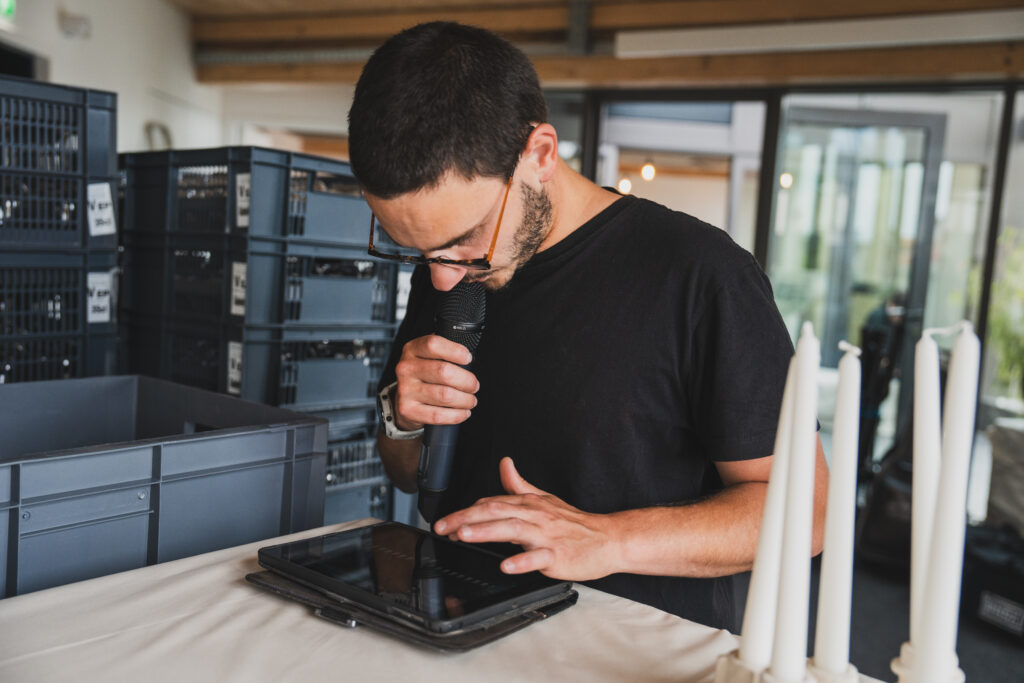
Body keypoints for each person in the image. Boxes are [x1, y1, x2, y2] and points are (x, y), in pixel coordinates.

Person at [348, 21, 828, 632]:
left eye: (466, 239)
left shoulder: (703, 273)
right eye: (415, 251)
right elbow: (408, 471)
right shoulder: (447, 266)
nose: (442, 278)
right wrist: (404, 419)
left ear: (540, 155)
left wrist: (608, 540)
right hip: (460, 632)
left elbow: (805, 514)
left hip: (627, 655)